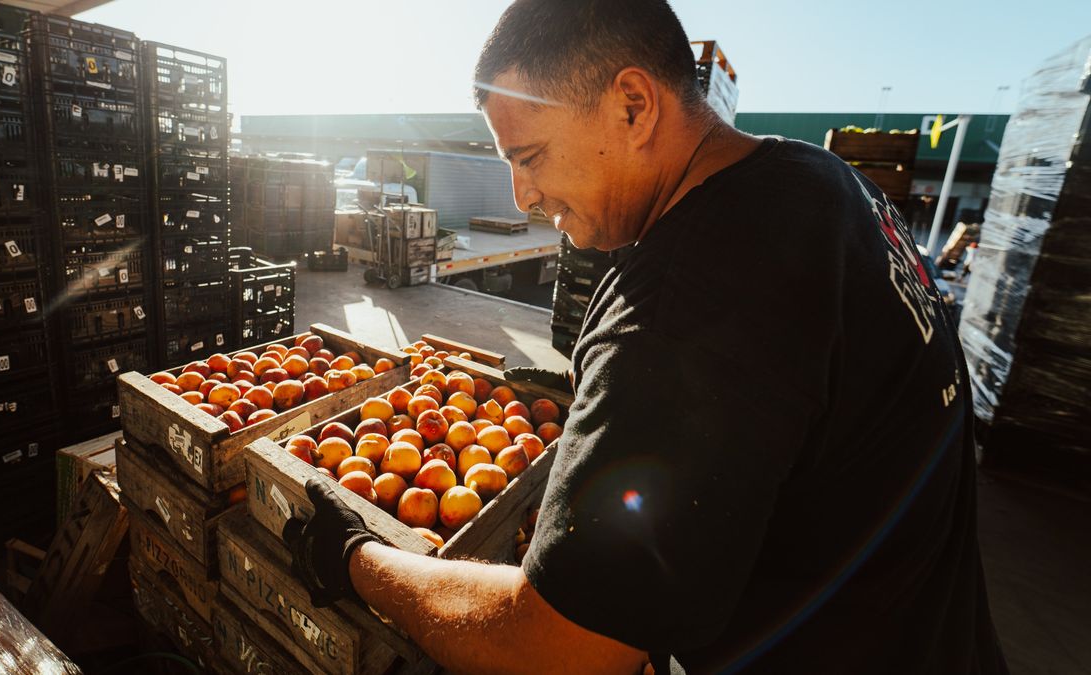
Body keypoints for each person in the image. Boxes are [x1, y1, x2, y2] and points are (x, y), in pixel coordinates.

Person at [284, 1, 1008, 673]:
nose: (521, 196)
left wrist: (357, 557)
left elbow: (559, 647)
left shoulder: (679, 309)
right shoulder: (827, 183)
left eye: (528, 155)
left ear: (633, 105)